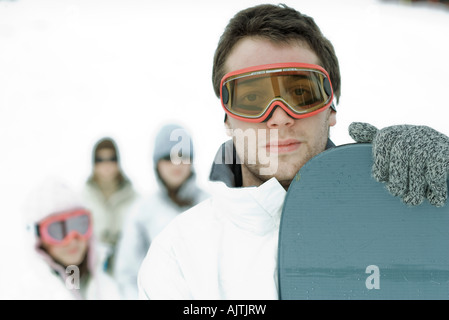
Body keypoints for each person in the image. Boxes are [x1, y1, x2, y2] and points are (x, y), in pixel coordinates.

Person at [137, 3, 449, 299]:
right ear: (228, 119)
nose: (279, 116)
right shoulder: (179, 255)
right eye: (252, 97)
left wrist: (437, 207)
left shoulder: (396, 218)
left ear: (331, 108)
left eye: (301, 93)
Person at [114, 123, 209, 300]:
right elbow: (127, 275)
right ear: (157, 163)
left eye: (182, 155)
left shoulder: (211, 206)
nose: (176, 164)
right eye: (168, 157)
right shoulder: (142, 212)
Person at [15, 176, 121, 300]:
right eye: (56, 230)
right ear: (37, 238)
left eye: (79, 225)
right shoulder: (27, 292)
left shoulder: (115, 274)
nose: (72, 239)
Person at [82, 137, 139, 276]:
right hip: (92, 273)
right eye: (100, 160)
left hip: (129, 272)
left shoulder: (135, 199)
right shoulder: (82, 200)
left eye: (111, 159)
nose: (106, 165)